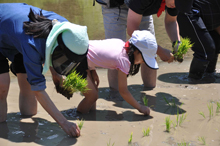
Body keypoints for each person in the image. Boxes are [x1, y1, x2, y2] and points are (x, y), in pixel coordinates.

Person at [0, 3, 90, 137]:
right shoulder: (32, 44)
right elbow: (38, 89)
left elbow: (52, 47)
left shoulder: (68, 30)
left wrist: (55, 73)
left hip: (19, 33)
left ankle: (29, 133)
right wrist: (64, 123)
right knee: (2, 86)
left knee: (27, 86)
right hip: (13, 30)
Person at [94, 0, 176, 100]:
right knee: (115, 54)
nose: (176, 5)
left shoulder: (176, 2)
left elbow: (171, 21)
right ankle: (115, 94)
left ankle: (150, 90)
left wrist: (177, 44)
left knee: (148, 51)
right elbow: (132, 30)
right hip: (114, 6)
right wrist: (160, 51)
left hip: (142, 8)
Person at [76, 30, 169, 115]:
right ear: (136, 51)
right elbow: (123, 91)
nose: (143, 62)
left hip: (80, 54)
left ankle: (90, 118)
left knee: (93, 94)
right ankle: (79, 116)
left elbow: (93, 51)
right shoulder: (124, 60)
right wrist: (140, 107)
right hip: (76, 62)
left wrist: (92, 71)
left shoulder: (120, 43)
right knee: (92, 96)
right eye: (144, 59)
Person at [166, 0, 220, 80]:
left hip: (207, 13)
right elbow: (170, 20)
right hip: (187, 12)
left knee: (216, 44)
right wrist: (176, 43)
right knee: (206, 50)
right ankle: (193, 81)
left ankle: (209, 75)